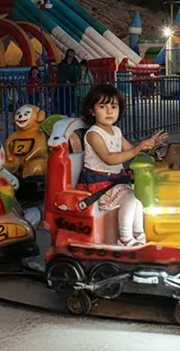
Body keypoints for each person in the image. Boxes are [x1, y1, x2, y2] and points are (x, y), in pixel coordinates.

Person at [77, 84, 168, 247]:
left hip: (115, 180)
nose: (109, 111)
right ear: (92, 111)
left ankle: (139, 234)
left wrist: (149, 145)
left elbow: (130, 149)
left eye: (114, 106)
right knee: (130, 198)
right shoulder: (93, 134)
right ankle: (125, 237)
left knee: (138, 197)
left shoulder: (116, 131)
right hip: (99, 183)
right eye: (103, 107)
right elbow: (109, 158)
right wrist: (137, 149)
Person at [56, 49, 81, 115]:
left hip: (72, 85)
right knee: (63, 99)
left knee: (72, 99)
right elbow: (61, 72)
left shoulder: (76, 63)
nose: (70, 57)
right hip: (63, 85)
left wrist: (76, 80)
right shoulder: (63, 63)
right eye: (69, 55)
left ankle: (72, 112)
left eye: (72, 54)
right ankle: (63, 113)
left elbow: (78, 73)